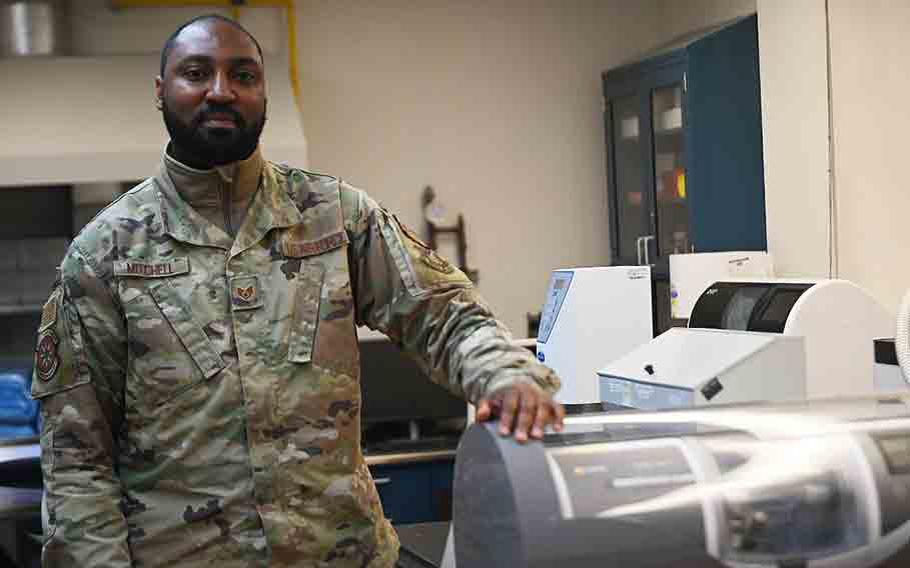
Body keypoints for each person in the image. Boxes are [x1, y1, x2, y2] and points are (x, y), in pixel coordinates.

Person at [30, 13, 564, 568]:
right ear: (161, 92)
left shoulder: (334, 215)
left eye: (243, 75)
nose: (221, 91)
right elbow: (76, 458)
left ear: (263, 93)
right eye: (196, 73)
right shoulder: (106, 252)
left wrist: (503, 373)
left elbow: (443, 314)